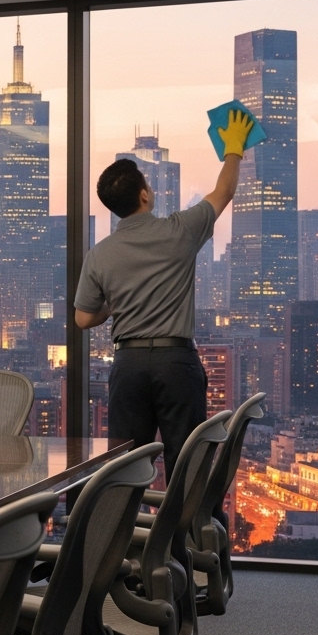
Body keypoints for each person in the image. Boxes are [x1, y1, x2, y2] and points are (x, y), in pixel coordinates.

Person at [74, 110, 254, 481]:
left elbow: (83, 318)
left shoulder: (100, 254)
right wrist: (233, 149)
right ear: (144, 195)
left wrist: (117, 301)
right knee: (187, 465)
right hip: (176, 363)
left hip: (129, 367)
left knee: (125, 468)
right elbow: (224, 192)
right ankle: (189, 537)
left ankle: (121, 536)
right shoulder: (179, 230)